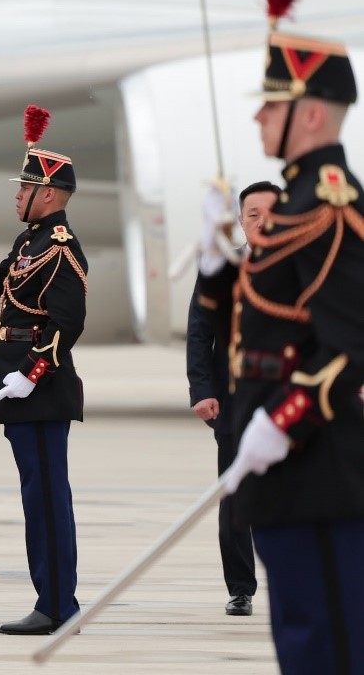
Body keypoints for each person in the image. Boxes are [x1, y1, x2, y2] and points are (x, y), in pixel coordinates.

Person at [196, 0, 364, 675]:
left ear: (313, 113)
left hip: (316, 464)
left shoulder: (330, 209)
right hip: (278, 467)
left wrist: (282, 421)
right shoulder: (293, 208)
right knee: (300, 641)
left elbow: (347, 347)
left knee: (329, 645)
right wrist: (215, 270)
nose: (259, 116)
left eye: (273, 103)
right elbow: (258, 323)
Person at [0, 105, 88, 636]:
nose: (17, 196)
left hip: (39, 390)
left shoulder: (61, 248)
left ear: (51, 195)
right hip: (19, 390)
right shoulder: (27, 242)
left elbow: (67, 323)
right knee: (36, 497)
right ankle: (52, 599)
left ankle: (57, 605)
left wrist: (32, 374)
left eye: (26, 188)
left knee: (46, 499)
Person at [185, 181, 278, 616]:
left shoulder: (305, 264)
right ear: (240, 220)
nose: (261, 221)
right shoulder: (223, 269)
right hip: (234, 400)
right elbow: (199, 332)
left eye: (269, 212)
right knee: (235, 497)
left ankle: (297, 580)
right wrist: (202, 390)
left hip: (290, 401)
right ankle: (240, 587)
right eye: (252, 214)